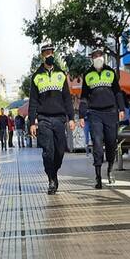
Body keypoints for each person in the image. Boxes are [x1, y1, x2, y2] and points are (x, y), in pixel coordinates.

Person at [29, 44, 75, 195]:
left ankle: (53, 172)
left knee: (60, 151)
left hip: (59, 119)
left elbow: (67, 98)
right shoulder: (36, 76)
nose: (49, 55)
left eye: (51, 52)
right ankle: (51, 179)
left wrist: (71, 118)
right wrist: (32, 123)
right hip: (43, 120)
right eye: (46, 53)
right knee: (48, 152)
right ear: (42, 56)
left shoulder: (61, 74)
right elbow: (33, 102)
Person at [79, 44, 125, 189]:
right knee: (97, 144)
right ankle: (98, 177)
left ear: (103, 57)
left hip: (111, 113)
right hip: (94, 114)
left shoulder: (110, 72)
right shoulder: (87, 74)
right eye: (95, 55)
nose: (98, 57)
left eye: (100, 55)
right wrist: (81, 115)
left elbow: (118, 92)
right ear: (91, 58)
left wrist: (121, 109)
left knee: (111, 143)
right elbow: (84, 97)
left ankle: (110, 169)